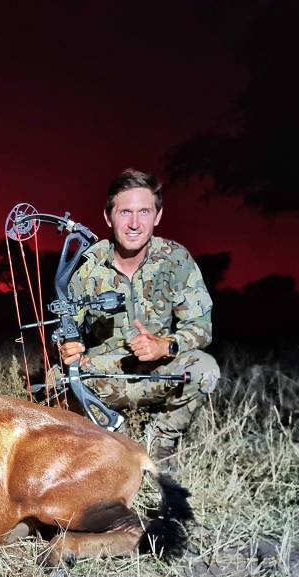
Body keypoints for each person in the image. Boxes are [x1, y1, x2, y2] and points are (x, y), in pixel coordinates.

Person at [57, 169, 219, 466]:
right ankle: (95, 441)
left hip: (158, 372)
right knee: (57, 381)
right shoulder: (87, 265)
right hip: (104, 374)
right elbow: (70, 332)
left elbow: (201, 327)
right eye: (125, 212)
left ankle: (162, 443)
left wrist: (165, 346)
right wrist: (69, 350)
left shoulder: (176, 258)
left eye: (144, 211)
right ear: (109, 217)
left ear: (157, 216)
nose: (134, 224)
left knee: (205, 369)